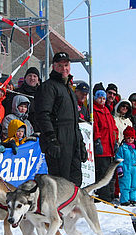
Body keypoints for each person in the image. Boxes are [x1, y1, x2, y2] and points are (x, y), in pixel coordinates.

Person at [35, 51, 87, 187]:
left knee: (75, 181)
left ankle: (72, 208)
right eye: (60, 66)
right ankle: (59, 209)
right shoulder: (48, 87)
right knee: (60, 184)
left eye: (66, 65)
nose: (64, 69)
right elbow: (43, 115)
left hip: (73, 141)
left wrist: (80, 143)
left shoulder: (68, 88)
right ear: (53, 67)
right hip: (58, 140)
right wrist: (51, 139)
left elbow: (75, 121)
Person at [92, 89, 119, 202]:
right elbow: (95, 127)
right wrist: (97, 140)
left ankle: (109, 195)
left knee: (110, 172)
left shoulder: (107, 111)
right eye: (99, 98)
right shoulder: (94, 110)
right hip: (102, 148)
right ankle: (104, 197)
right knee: (103, 173)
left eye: (103, 98)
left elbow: (113, 128)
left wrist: (116, 140)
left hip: (110, 148)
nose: (102, 100)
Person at [114, 126, 136, 206]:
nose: (130, 139)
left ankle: (133, 199)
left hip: (135, 169)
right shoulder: (123, 148)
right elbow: (119, 158)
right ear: (125, 138)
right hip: (126, 168)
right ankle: (124, 200)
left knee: (134, 184)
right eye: (128, 138)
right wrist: (120, 168)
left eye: (132, 137)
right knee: (125, 184)